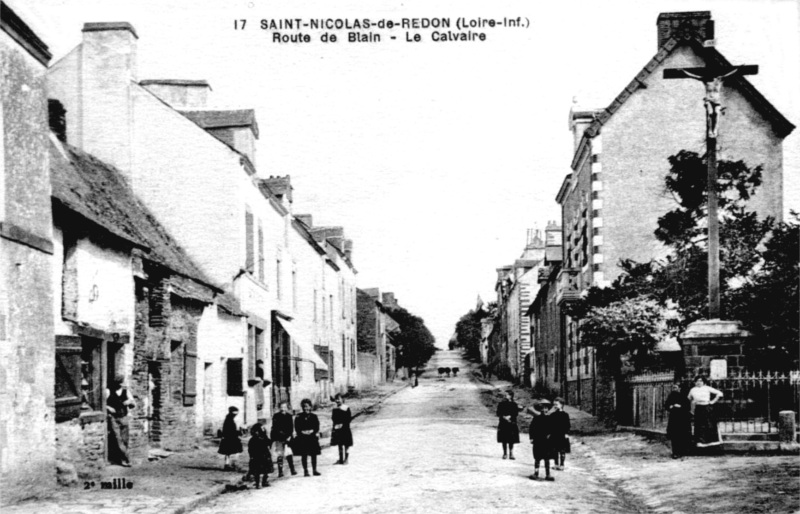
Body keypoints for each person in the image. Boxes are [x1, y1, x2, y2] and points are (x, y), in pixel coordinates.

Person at [106, 375, 136, 467]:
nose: (122, 384)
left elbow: (133, 403)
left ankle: (123, 460)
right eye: (120, 383)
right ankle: (128, 458)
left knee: (125, 440)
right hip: (114, 418)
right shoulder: (108, 391)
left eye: (122, 383)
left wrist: (130, 402)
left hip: (124, 417)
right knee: (118, 439)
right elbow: (102, 403)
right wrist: (108, 407)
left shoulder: (126, 391)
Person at [688, 375, 723, 449]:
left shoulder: (707, 388)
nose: (699, 382)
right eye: (697, 381)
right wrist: (692, 407)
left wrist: (713, 401)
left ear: (704, 382)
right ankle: (700, 443)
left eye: (701, 381)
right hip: (698, 408)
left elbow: (720, 393)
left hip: (707, 407)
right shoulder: (693, 390)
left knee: (709, 424)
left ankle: (712, 443)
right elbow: (689, 398)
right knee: (699, 425)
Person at [293, 398, 321, 476]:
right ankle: (306, 471)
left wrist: (312, 431)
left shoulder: (314, 416)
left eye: (307, 406)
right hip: (303, 438)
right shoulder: (299, 417)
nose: (306, 408)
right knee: (304, 454)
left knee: (313, 454)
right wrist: (302, 432)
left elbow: (317, 426)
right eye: (304, 406)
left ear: (310, 407)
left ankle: (314, 470)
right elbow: (297, 427)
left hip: (312, 437)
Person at [665, 383, 693, 458]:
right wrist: (670, 406)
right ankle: (675, 452)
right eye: (673, 388)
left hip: (683, 419)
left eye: (676, 387)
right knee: (674, 435)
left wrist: (680, 406)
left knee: (682, 434)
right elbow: (666, 405)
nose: (674, 389)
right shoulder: (671, 396)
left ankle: (682, 451)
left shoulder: (684, 396)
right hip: (674, 418)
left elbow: (688, 407)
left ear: (680, 388)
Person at [529, 399, 554, 481]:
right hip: (538, 440)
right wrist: (532, 438)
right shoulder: (536, 418)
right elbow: (532, 428)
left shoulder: (550, 418)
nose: (544, 410)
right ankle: (536, 473)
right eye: (542, 408)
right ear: (540, 409)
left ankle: (548, 474)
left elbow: (553, 428)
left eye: (546, 408)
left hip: (547, 441)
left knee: (547, 458)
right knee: (537, 458)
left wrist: (551, 435)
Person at [270, 401, 297, 477]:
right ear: (279, 408)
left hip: (287, 438)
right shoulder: (276, 416)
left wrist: (289, 436)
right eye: (281, 407)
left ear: (287, 407)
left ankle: (292, 469)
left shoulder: (289, 416)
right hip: (279, 438)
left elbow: (291, 428)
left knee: (289, 453)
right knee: (280, 454)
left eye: (284, 407)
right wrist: (279, 436)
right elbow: (275, 427)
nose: (283, 409)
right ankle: (280, 471)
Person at [496, 390, 522, 460]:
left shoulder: (514, 404)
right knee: (504, 438)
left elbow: (515, 413)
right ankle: (504, 453)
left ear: (510, 396)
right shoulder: (501, 404)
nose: (505, 396)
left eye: (507, 395)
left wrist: (510, 416)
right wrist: (504, 417)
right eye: (505, 395)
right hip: (503, 423)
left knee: (511, 439)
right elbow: (498, 413)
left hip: (511, 423)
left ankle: (511, 453)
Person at [248, 423, 273, 488]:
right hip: (257, 457)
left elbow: (269, 442)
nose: (257, 433)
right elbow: (250, 449)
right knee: (257, 471)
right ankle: (257, 483)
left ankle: (264, 481)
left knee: (266, 470)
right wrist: (251, 456)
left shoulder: (264, 437)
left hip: (265, 456)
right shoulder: (252, 440)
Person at [331, 394, 353, 464]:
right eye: (336, 399)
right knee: (339, 444)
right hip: (338, 429)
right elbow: (333, 418)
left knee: (346, 444)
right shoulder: (335, 409)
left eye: (339, 399)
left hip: (345, 429)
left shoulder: (346, 408)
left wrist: (343, 424)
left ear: (342, 400)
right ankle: (340, 459)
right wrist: (335, 427)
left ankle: (346, 459)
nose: (337, 401)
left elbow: (348, 419)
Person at [549, 398, 571, 470]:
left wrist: (566, 433)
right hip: (554, 435)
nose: (555, 406)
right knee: (555, 450)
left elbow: (567, 425)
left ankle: (562, 465)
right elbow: (549, 425)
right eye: (554, 405)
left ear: (561, 405)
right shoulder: (552, 415)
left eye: (556, 404)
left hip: (562, 435)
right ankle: (556, 464)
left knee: (562, 450)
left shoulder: (565, 415)